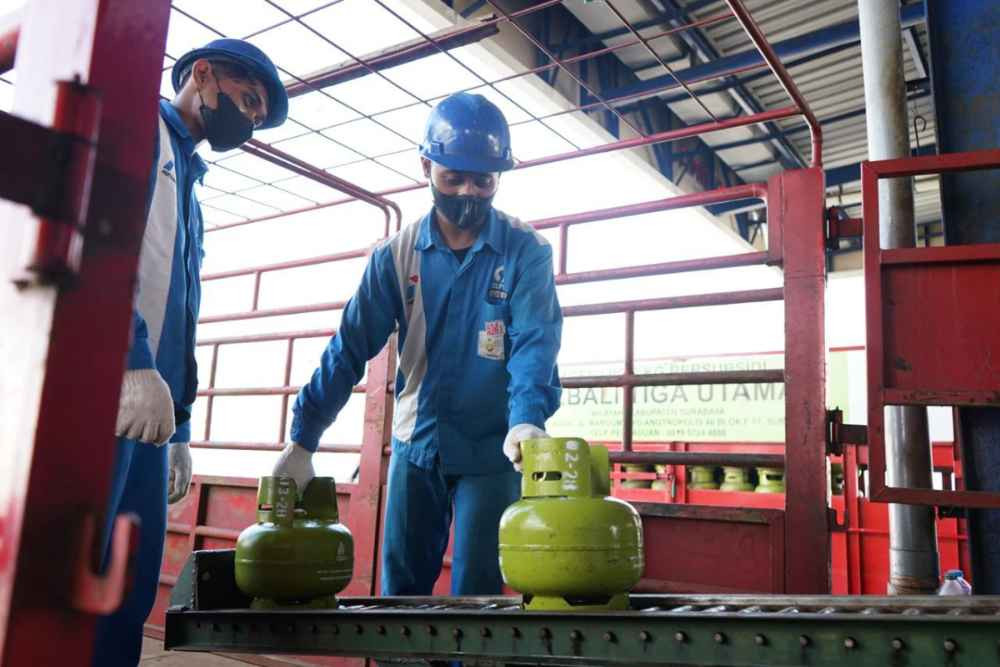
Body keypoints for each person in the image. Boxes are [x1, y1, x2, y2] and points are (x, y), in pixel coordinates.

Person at [272, 92, 562, 597]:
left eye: (484, 181)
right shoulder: (395, 256)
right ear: (426, 166)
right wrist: (304, 437)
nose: (469, 192)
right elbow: (349, 347)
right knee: (401, 591)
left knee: (479, 593)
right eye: (454, 178)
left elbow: (535, 343)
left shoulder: (526, 251)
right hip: (417, 443)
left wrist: (526, 419)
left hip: (496, 447)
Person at [95, 39, 287, 666]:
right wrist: (130, 358)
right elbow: (102, 243)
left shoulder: (191, 184)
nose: (249, 120)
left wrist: (180, 425)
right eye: (248, 100)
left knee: (128, 582)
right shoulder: (138, 129)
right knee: (76, 572)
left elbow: (181, 312)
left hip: (152, 414)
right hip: (102, 389)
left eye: (258, 115)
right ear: (201, 74)